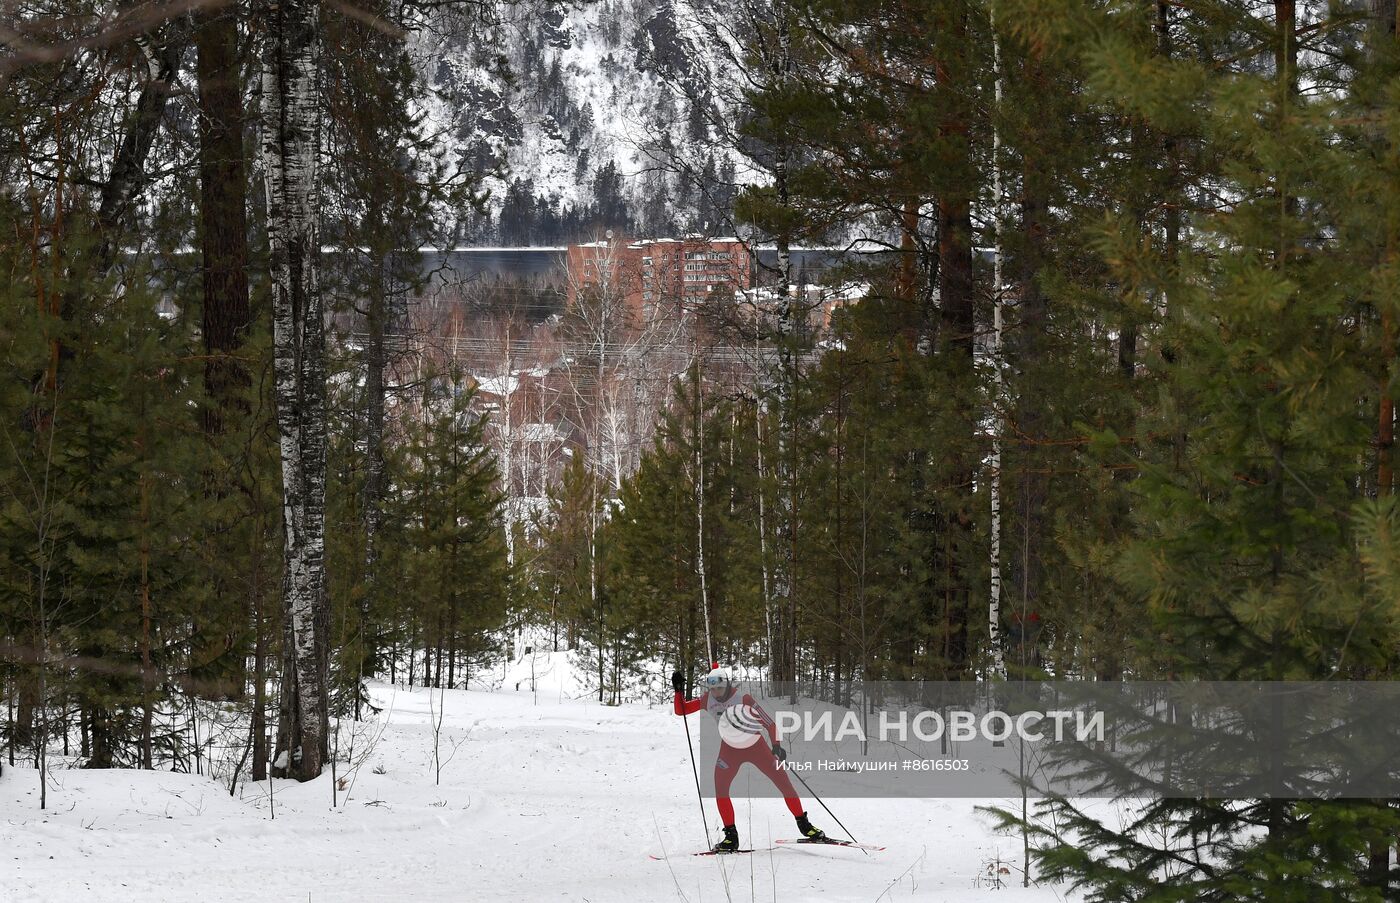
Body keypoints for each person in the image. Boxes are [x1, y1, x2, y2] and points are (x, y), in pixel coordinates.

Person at [672, 664, 826, 852]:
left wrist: (776, 745)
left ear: (727, 684)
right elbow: (682, 710)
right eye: (712, 689)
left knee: (784, 783)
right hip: (729, 750)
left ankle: (805, 826)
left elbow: (769, 723)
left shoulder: (742, 698)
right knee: (720, 789)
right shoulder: (707, 699)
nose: (716, 693)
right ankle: (731, 837)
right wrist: (678, 691)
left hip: (756, 747)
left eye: (719, 688)